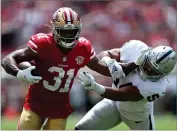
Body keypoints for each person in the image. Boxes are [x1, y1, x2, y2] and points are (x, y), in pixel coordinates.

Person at [1, 7, 137, 130]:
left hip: (60, 108)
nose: (69, 36)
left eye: (72, 31)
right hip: (35, 104)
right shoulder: (43, 43)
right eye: (64, 32)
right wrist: (18, 73)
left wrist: (134, 65)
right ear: (54, 29)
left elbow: (102, 69)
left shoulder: (83, 48)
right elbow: (8, 60)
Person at [75, 40, 177, 130]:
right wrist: (109, 61)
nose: (148, 70)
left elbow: (120, 95)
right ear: (146, 55)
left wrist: (94, 86)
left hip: (137, 117)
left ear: (163, 75)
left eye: (153, 71)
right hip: (114, 104)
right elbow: (105, 54)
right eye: (148, 65)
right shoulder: (136, 48)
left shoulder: (156, 87)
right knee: (82, 128)